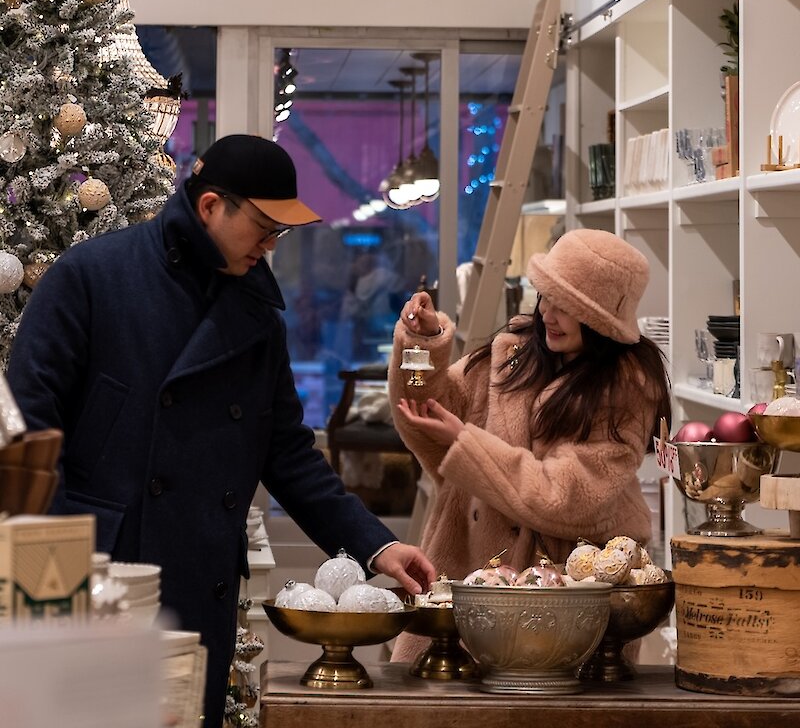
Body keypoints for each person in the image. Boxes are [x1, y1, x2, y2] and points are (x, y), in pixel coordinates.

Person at [6, 134, 435, 727]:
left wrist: (377, 545)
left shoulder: (258, 315)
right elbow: (26, 436)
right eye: (263, 226)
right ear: (211, 206)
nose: (271, 244)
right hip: (100, 578)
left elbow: (287, 452)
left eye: (281, 232)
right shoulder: (91, 277)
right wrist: (47, 574)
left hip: (195, 576)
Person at [388, 228, 670, 660]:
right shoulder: (513, 354)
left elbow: (567, 495)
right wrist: (422, 347)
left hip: (564, 608)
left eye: (567, 305)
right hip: (468, 575)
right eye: (546, 297)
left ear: (600, 318)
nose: (548, 313)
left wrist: (466, 442)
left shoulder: (626, 391)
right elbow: (427, 412)